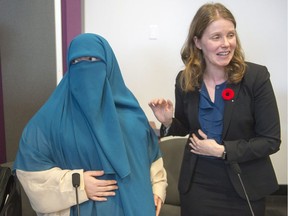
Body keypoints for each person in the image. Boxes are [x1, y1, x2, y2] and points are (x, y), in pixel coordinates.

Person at [13, 33, 167, 216]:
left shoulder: (132, 114)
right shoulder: (48, 121)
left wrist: (157, 189)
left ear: (109, 64)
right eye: (77, 62)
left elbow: (151, 157)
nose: (85, 66)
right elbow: (31, 173)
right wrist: (77, 184)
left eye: (93, 59)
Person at [149, 2, 281, 216]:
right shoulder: (185, 80)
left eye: (230, 35)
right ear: (197, 42)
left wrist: (223, 151)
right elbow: (185, 129)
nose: (226, 44)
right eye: (216, 37)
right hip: (199, 184)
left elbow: (270, 141)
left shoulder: (256, 78)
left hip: (244, 183)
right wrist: (168, 122)